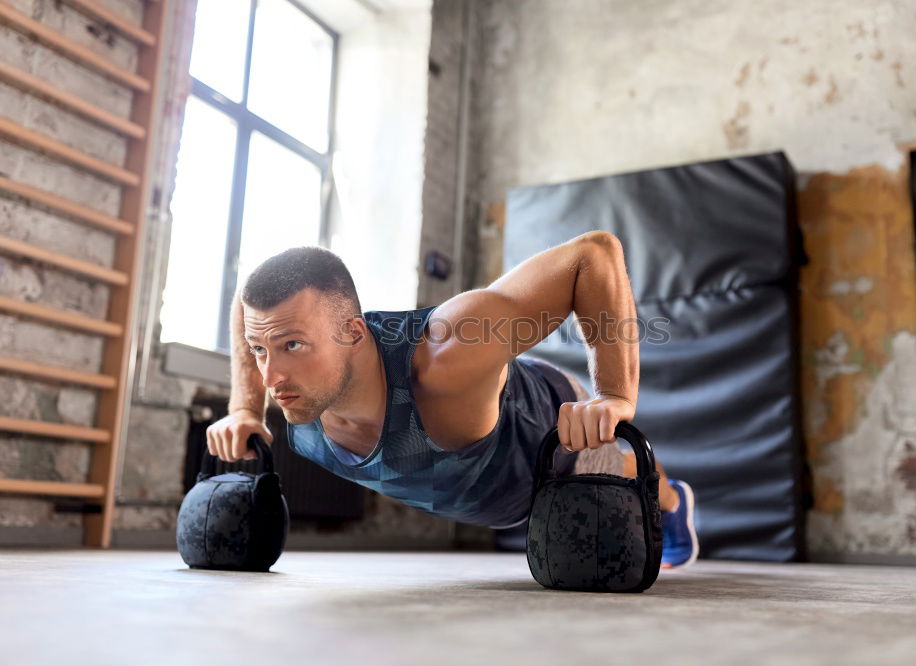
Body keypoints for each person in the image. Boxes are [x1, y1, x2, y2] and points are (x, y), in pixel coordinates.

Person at [206, 232, 698, 569]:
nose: (271, 375)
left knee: (627, 474)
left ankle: (674, 502)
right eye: (259, 350)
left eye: (293, 345)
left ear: (353, 332)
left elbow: (594, 253)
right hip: (490, 484)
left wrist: (613, 394)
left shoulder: (448, 350)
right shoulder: (296, 383)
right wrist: (244, 407)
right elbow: (246, 309)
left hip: (552, 433)